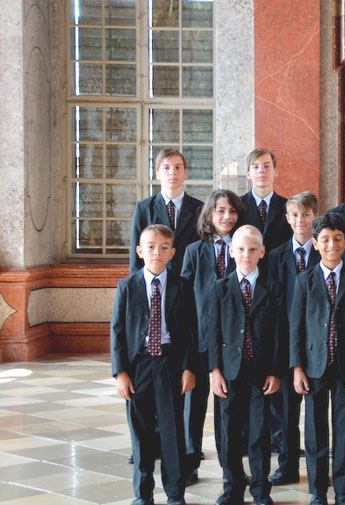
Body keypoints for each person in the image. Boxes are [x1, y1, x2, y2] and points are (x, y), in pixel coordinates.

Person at [111, 224, 196, 505]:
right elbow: (118, 331)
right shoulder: (127, 286)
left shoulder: (182, 286)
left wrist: (188, 367)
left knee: (173, 432)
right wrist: (120, 372)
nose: (156, 252)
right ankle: (143, 493)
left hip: (170, 363)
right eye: (150, 246)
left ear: (172, 252)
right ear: (139, 251)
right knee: (141, 432)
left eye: (163, 247)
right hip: (139, 366)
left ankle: (175, 493)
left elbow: (189, 331)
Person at [291, 213, 345, 505]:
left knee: (344, 428)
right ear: (314, 244)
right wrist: (297, 367)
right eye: (324, 239)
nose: (331, 244)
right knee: (314, 431)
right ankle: (318, 491)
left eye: (338, 239)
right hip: (313, 366)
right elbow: (295, 326)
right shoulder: (304, 281)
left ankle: (342, 490)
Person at [209, 225, 286, 505]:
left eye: (253, 249)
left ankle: (261, 489)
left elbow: (280, 334)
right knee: (228, 432)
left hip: (260, 371)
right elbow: (212, 332)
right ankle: (232, 487)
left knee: (259, 432)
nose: (246, 254)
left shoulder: (273, 288)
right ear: (231, 251)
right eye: (240, 249)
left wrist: (276, 371)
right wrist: (215, 370)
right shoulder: (219, 288)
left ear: (262, 252)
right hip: (229, 372)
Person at [180, 190, 246, 483]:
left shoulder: (245, 248)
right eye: (220, 211)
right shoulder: (194, 251)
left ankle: (231, 469)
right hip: (199, 337)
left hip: (232, 341)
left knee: (228, 408)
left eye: (232, 211)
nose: (227, 217)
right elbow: (183, 299)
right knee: (193, 405)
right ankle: (189, 462)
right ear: (209, 215)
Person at [266, 191, 322, 484]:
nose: (301, 220)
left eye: (307, 214)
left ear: (315, 217)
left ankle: (317, 470)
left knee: (315, 412)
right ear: (287, 219)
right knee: (285, 411)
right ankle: (287, 466)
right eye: (295, 215)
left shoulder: (325, 251)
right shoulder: (275, 257)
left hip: (317, 343)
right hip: (285, 343)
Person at [129, 148, 203, 275]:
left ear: (185, 173)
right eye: (166, 168)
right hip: (155, 280)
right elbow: (136, 253)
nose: (172, 172)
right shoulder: (144, 208)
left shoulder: (200, 209)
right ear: (157, 173)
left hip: (188, 281)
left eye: (178, 167)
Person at [242, 148, 292, 266]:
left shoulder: (289, 207)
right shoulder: (237, 206)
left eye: (267, 166)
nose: (261, 171)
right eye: (255, 167)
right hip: (247, 271)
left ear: (275, 171)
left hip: (279, 271)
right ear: (248, 173)